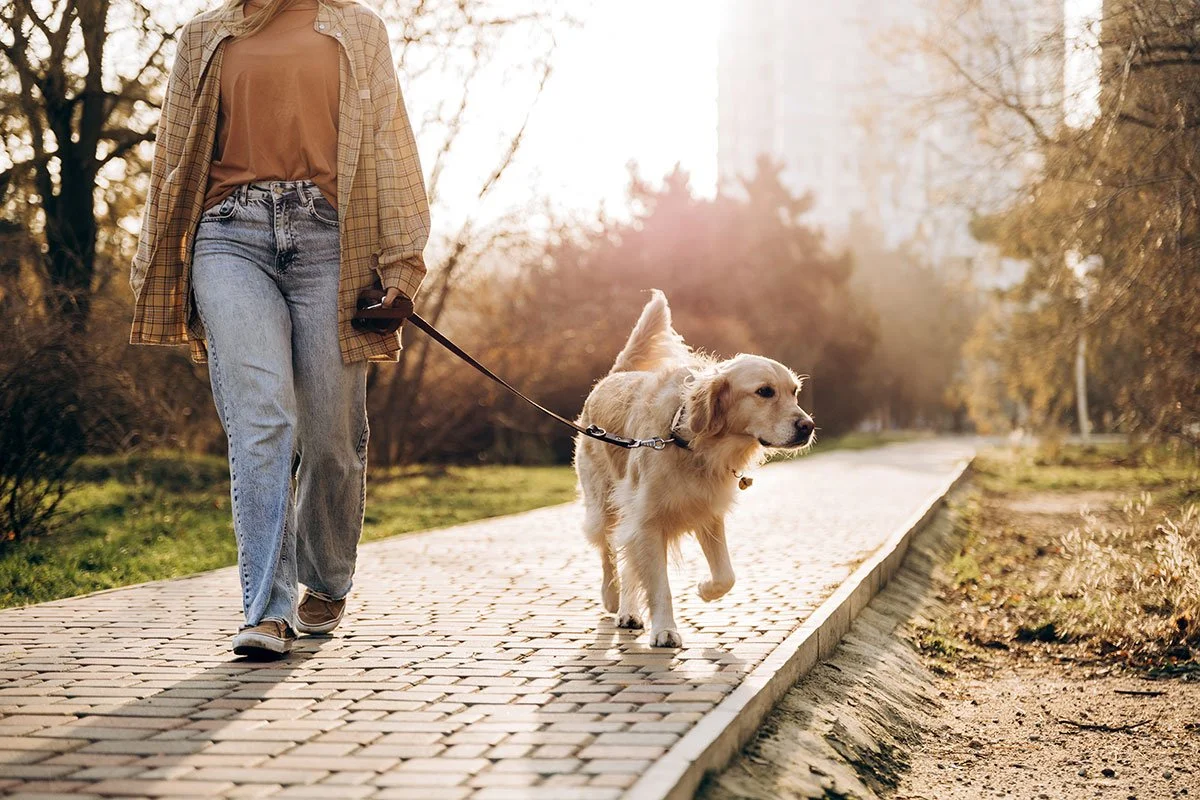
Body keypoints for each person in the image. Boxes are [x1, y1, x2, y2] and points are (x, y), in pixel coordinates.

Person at [129, 0, 430, 659]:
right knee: (264, 419)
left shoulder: (357, 29)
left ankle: (326, 579)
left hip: (330, 239)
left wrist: (401, 270)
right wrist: (155, 258)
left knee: (330, 435)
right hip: (228, 234)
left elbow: (391, 149)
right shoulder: (207, 34)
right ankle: (266, 611)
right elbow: (175, 155)